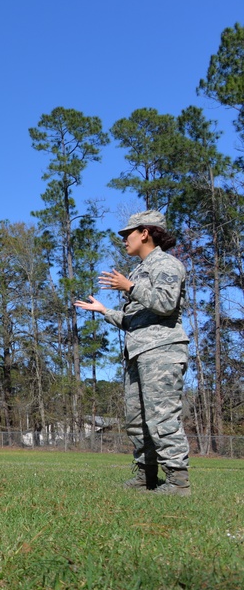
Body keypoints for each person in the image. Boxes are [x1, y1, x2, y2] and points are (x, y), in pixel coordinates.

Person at [75, 210, 191, 496]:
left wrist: (130, 286)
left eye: (128, 233)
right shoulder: (140, 270)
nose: (123, 239)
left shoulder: (166, 264)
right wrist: (104, 311)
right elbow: (134, 320)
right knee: (137, 421)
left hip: (162, 352)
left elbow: (165, 303)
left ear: (145, 233)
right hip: (139, 353)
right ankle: (146, 476)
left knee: (162, 417)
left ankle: (177, 482)